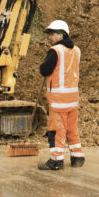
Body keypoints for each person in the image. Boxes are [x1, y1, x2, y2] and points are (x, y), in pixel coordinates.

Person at [38, 20, 85, 171]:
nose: (49, 37)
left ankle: (56, 161)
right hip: (72, 99)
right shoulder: (76, 50)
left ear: (61, 34)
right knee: (72, 129)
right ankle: (77, 157)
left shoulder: (55, 51)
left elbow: (45, 70)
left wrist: (42, 67)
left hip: (58, 100)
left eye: (52, 34)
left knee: (56, 130)